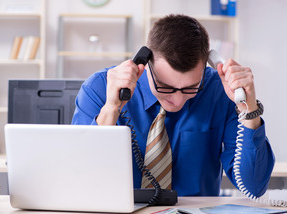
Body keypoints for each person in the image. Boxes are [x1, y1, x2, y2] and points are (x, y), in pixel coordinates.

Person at [72, 14, 275, 196]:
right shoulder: (99, 87)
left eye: (191, 87)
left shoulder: (221, 92)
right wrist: (111, 108)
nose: (177, 100)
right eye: (165, 86)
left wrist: (248, 108)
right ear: (145, 62)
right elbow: (81, 178)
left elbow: (254, 187)